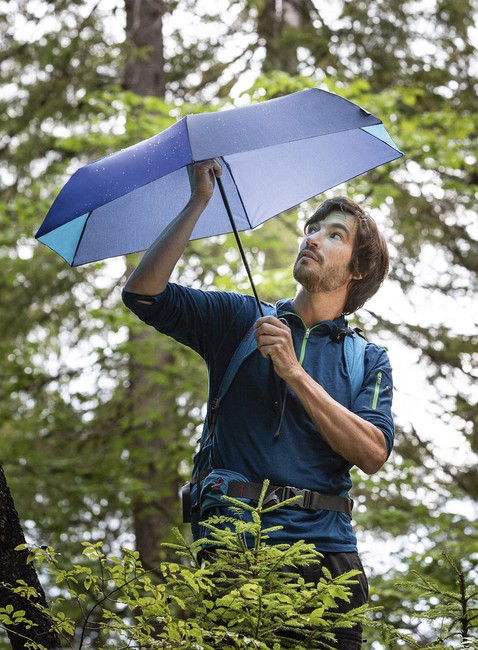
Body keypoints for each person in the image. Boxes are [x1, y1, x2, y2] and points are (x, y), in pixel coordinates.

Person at [122, 159, 394, 649]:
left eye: (334, 235)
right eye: (312, 229)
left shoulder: (366, 359)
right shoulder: (239, 319)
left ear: (358, 269)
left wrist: (293, 371)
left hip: (328, 561)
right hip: (234, 551)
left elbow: (372, 453)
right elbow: (144, 295)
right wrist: (197, 203)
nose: (311, 238)